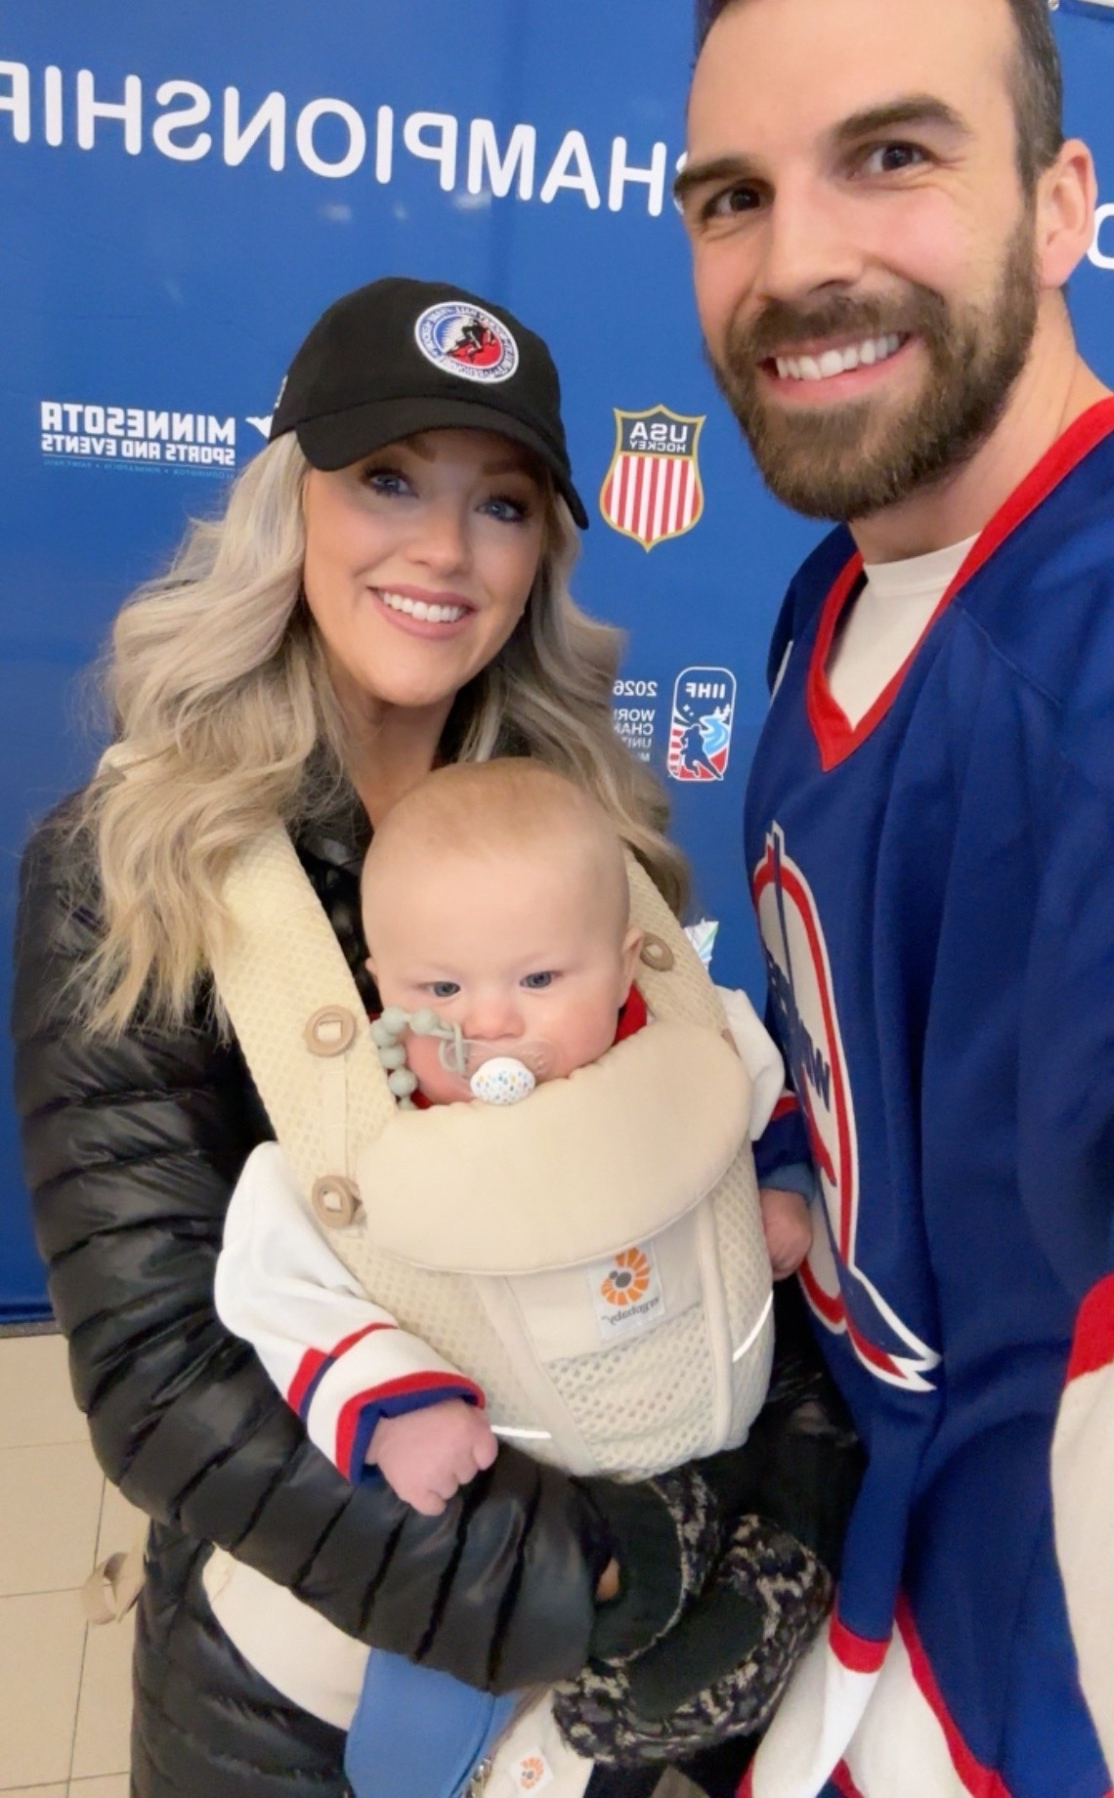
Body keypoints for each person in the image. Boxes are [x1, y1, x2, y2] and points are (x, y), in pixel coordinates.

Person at [11, 274, 856, 1798]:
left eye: (503, 504)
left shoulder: (594, 836)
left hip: (585, 1704)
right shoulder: (133, 862)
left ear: (544, 554)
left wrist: (778, 1520)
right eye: (388, 479)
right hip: (299, 1691)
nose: (443, 550)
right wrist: (593, 1583)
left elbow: (716, 1178)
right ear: (293, 506)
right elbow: (162, 1368)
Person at [675, 0, 1114, 1797]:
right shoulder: (839, 578)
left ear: (1058, 205)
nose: (798, 260)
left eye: (890, 155)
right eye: (730, 195)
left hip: (1049, 1680)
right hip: (866, 1580)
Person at [213, 756, 830, 1798]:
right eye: (440, 988)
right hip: (514, 1501)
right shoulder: (358, 1133)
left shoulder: (693, 1041)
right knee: (448, 1697)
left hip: (698, 1465)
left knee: (659, 1698)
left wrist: (779, 1190)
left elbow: (765, 1101)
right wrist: (393, 1406)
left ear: (628, 960)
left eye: (540, 979)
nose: (491, 1021)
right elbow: (280, 1288)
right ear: (379, 984)